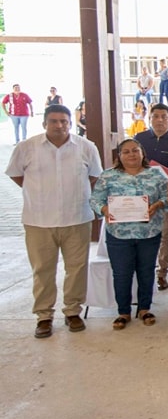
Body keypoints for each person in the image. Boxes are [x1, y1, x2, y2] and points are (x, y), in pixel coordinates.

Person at [5, 104, 102, 338]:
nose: (59, 125)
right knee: (42, 270)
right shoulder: (26, 148)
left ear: (71, 123)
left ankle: (72, 311)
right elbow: (17, 175)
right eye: (54, 121)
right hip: (38, 220)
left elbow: (94, 176)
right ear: (44, 123)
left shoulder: (86, 147)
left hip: (76, 218)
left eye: (64, 121)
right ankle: (44, 316)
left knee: (77, 269)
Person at [90, 138, 168, 329]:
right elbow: (95, 199)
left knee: (146, 271)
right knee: (122, 273)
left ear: (142, 153)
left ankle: (144, 308)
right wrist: (105, 210)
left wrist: (157, 204)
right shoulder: (108, 176)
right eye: (126, 152)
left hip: (149, 233)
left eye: (135, 150)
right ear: (119, 155)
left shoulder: (156, 174)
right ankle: (123, 312)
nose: (131, 154)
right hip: (119, 234)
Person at [134, 103, 168, 290]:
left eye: (164, 117)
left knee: (165, 234)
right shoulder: (139, 139)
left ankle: (162, 272)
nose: (159, 120)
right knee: (142, 234)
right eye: (155, 116)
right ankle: (142, 272)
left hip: (167, 195)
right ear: (149, 119)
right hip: (141, 195)